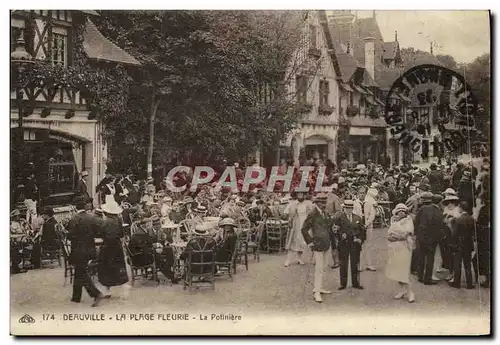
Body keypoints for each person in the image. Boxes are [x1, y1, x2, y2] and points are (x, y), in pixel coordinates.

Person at [67, 197, 104, 306]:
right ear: (84, 206)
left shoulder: (74, 219)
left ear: (75, 207)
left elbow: (70, 236)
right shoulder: (91, 217)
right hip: (90, 249)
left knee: (81, 272)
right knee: (79, 272)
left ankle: (96, 294)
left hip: (78, 251)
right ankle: (76, 297)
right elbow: (98, 231)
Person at [301, 193, 335, 303]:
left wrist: (333, 226)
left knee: (323, 268)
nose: (324, 204)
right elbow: (304, 229)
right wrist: (310, 242)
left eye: (325, 202)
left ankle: (319, 287)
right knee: (319, 268)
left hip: (326, 243)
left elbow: (328, 226)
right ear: (317, 203)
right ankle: (316, 291)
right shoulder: (313, 213)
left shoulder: (325, 213)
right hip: (318, 244)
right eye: (321, 202)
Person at [97, 196, 131, 299]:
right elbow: (121, 234)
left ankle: (107, 290)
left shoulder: (104, 222)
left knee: (106, 268)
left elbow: (100, 234)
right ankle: (124, 289)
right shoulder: (118, 220)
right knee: (119, 267)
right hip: (116, 246)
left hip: (107, 247)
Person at [386, 203, 415, 303]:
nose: (401, 213)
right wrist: (393, 237)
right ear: (397, 213)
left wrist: (396, 236)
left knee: (404, 271)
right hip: (395, 249)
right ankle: (402, 291)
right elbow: (389, 235)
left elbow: (405, 234)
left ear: (406, 212)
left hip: (405, 248)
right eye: (399, 211)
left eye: (403, 211)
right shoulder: (394, 221)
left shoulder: (408, 221)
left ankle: (410, 292)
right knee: (398, 270)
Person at [414, 192, 445, 285]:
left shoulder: (422, 209)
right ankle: (428, 278)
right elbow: (441, 226)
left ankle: (420, 276)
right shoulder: (439, 211)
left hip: (422, 236)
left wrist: (416, 233)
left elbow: (416, 221)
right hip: (432, 238)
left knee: (421, 256)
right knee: (430, 257)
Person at [335, 200, 365, 290]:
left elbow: (362, 231)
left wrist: (360, 239)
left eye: (350, 208)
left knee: (355, 263)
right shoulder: (339, 218)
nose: (349, 210)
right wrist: (341, 235)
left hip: (355, 243)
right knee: (343, 264)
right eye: (347, 208)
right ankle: (343, 283)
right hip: (344, 243)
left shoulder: (358, 218)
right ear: (344, 208)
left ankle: (355, 283)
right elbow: (335, 230)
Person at [449, 202, 475, 289]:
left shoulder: (458, 220)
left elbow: (454, 234)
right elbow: (473, 232)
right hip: (468, 244)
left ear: (461, 208)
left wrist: (453, 244)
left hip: (459, 244)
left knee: (457, 264)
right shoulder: (472, 219)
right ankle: (469, 283)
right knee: (467, 264)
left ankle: (457, 283)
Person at [283, 191, 313, 267]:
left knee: (302, 242)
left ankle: (299, 258)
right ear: (296, 195)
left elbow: (312, 213)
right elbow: (285, 213)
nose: (300, 195)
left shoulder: (308, 203)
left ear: (304, 195)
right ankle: (288, 260)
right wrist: (291, 215)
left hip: (305, 224)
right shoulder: (293, 203)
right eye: (298, 194)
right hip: (296, 225)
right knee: (293, 241)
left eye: (301, 194)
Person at [362, 187, 378, 271]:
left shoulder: (369, 202)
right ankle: (359, 265)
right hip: (359, 226)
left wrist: (367, 223)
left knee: (368, 244)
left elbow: (372, 214)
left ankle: (369, 264)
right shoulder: (356, 203)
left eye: (363, 193)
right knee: (359, 245)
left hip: (368, 226)